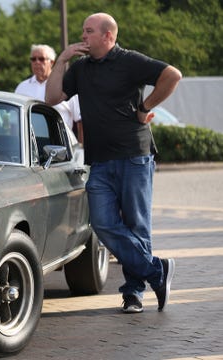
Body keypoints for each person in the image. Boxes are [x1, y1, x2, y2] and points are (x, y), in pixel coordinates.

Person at [45, 12, 182, 314]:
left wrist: (145, 106)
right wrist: (62, 60)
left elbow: (172, 75)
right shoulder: (80, 68)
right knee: (102, 224)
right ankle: (158, 271)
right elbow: (52, 97)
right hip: (101, 161)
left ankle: (133, 293)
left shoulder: (129, 61)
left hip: (134, 156)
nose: (84, 36)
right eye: (82, 31)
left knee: (136, 225)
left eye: (89, 31)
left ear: (108, 35)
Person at [15, 44, 83, 141]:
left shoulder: (66, 85)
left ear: (52, 62)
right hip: (28, 143)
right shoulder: (22, 87)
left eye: (41, 59)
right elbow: (14, 121)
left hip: (61, 143)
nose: (37, 62)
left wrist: (80, 150)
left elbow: (80, 121)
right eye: (33, 59)